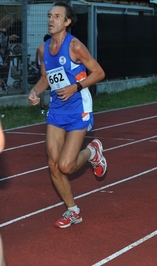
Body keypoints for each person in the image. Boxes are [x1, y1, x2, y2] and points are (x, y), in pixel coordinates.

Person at [27, 2, 107, 229]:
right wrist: (35, 92)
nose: (51, 20)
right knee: (53, 164)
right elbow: (45, 78)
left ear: (67, 22)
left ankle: (92, 151)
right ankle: (73, 211)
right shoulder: (43, 49)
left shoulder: (76, 47)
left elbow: (99, 72)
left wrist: (76, 87)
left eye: (57, 17)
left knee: (65, 166)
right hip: (56, 110)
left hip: (78, 108)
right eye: (50, 16)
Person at [35, 34, 52, 114]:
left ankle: (42, 108)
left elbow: (36, 61)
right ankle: (52, 106)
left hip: (40, 69)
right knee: (54, 87)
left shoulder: (39, 48)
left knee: (42, 90)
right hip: (50, 69)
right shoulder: (50, 48)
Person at [0, 15, 17, 91]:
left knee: (4, 70)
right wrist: (10, 38)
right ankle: (3, 84)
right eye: (10, 24)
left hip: (4, 53)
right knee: (4, 70)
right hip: (3, 53)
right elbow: (2, 42)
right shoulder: (2, 30)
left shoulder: (4, 31)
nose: (10, 26)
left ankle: (4, 84)